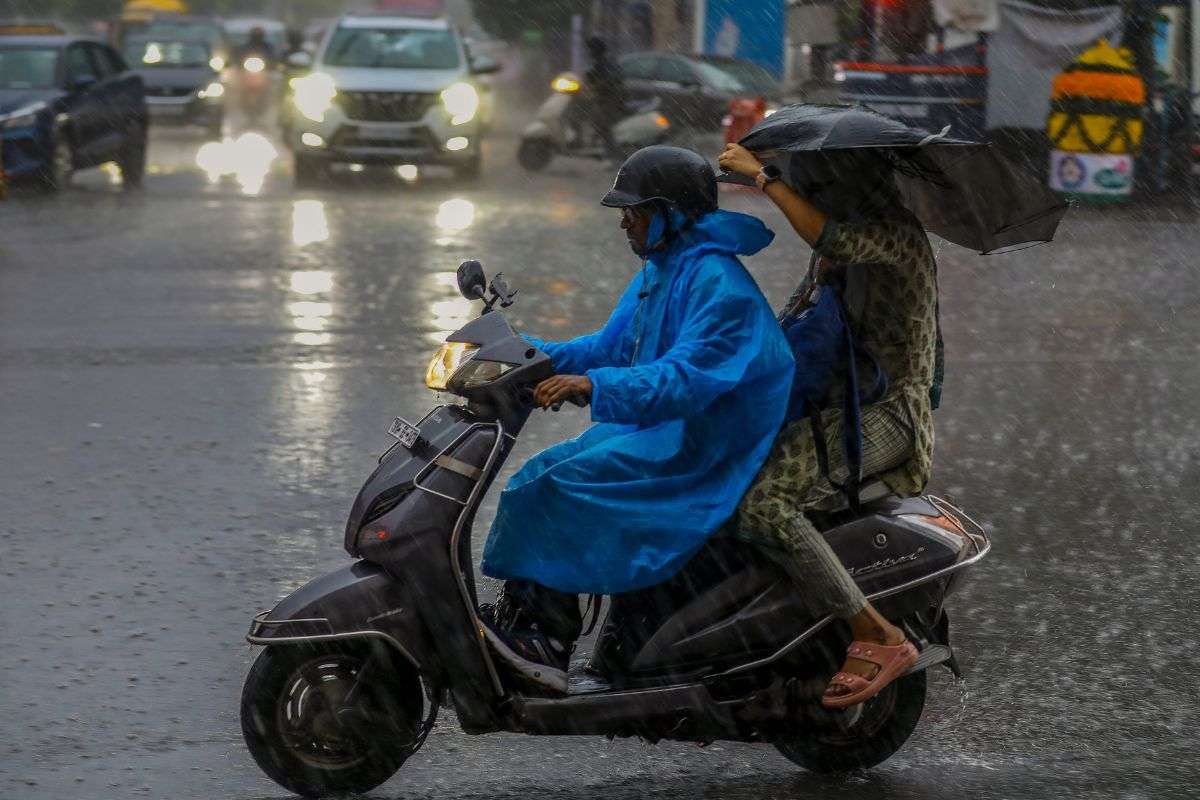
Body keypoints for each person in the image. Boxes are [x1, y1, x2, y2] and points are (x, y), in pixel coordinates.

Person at [479, 146, 794, 694]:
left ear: (672, 214)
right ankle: (529, 620)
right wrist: (522, 354)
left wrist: (592, 386)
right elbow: (609, 347)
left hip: (705, 447)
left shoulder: (720, 285)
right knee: (536, 475)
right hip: (664, 431)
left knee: (560, 487)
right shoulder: (665, 268)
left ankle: (548, 639)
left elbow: (684, 379)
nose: (625, 220)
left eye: (637, 210)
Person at [718, 140, 938, 709]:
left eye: (819, 180)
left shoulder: (894, 235)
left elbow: (830, 237)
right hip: (839, 404)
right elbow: (796, 317)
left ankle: (876, 632)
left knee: (765, 505)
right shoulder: (840, 246)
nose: (813, 189)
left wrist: (764, 178)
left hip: (889, 414)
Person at [583, 36, 627, 155]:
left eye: (591, 49)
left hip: (612, 97)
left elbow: (611, 79)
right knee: (595, 119)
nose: (589, 52)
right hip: (605, 96)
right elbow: (592, 76)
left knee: (603, 123)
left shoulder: (606, 61)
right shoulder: (600, 61)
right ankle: (604, 146)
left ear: (596, 49)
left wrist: (598, 84)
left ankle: (612, 151)